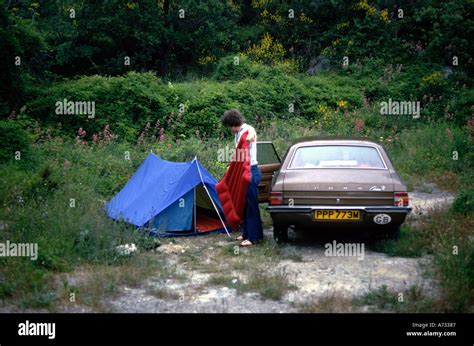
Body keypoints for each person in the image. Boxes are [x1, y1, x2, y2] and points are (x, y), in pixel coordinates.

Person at [221, 108, 263, 246]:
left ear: (232, 124)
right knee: (244, 204)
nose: (229, 129)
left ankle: (254, 237)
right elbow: (239, 155)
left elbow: (251, 133)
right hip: (244, 172)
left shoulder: (247, 129)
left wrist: (250, 137)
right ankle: (246, 234)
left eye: (229, 126)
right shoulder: (237, 133)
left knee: (251, 205)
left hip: (251, 172)